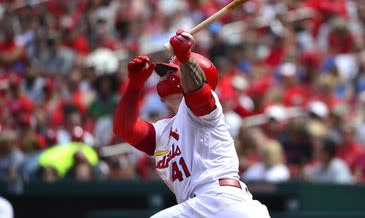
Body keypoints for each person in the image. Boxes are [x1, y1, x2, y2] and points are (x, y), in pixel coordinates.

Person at [113, 30, 271, 218]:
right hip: (210, 207)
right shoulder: (164, 129)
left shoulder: (204, 108)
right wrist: (134, 86)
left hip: (219, 201)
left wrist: (185, 57)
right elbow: (124, 129)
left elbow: (197, 91)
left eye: (170, 71)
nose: (162, 76)